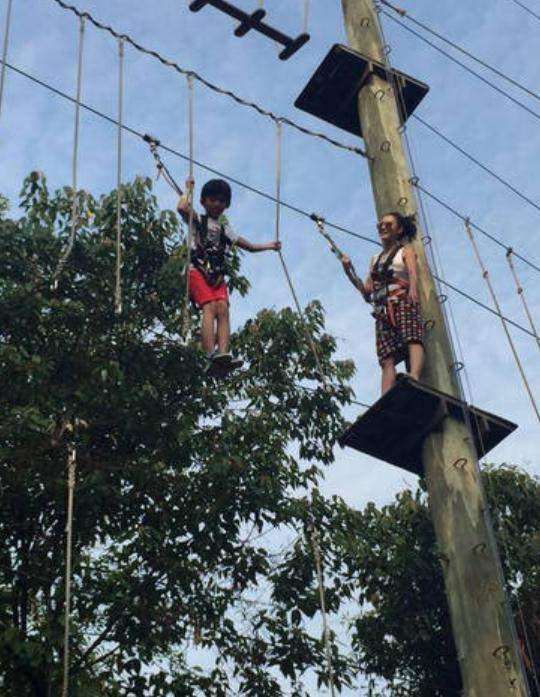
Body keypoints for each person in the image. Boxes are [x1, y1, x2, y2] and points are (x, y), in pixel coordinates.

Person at [177, 177, 281, 373]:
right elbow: (182, 207)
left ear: (227, 205)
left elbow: (247, 246)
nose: (217, 204)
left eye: (221, 201)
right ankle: (209, 354)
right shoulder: (198, 220)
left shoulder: (225, 228)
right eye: (212, 200)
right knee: (210, 307)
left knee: (223, 309)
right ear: (203, 202)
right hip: (197, 269)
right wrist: (188, 190)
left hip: (216, 275)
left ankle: (223, 354)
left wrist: (269, 246)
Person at [341, 212, 425, 395]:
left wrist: (413, 290)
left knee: (412, 337)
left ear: (399, 229)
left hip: (401, 300)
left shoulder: (406, 250)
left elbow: (412, 272)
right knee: (386, 358)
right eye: (380, 224)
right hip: (383, 309)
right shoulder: (375, 260)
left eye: (388, 224)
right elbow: (366, 292)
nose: (382, 226)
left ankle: (415, 375)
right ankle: (386, 394)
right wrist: (349, 271)